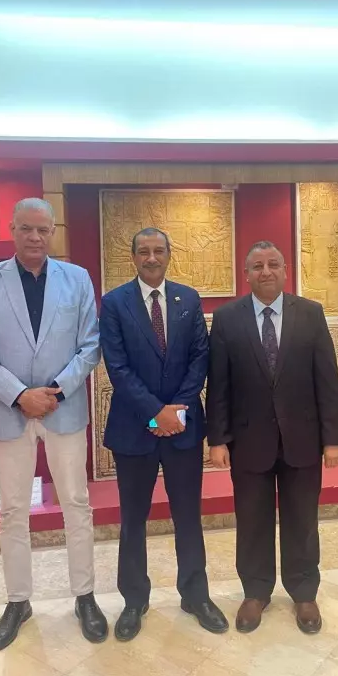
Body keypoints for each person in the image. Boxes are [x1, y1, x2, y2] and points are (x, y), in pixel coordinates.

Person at [0, 198, 107, 651]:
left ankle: (85, 596)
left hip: (63, 409)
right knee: (11, 511)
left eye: (43, 230)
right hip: (9, 412)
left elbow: (90, 346)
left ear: (53, 232)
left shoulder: (77, 279)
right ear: (11, 229)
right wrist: (20, 395)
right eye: (26, 228)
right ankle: (17, 601)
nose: (35, 237)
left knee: (76, 504)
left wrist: (55, 391)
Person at [206, 241, 338, 634]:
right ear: (246, 273)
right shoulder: (227, 318)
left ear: (285, 270)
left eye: (272, 264)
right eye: (257, 266)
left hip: (302, 438)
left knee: (303, 519)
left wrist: (333, 438)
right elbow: (218, 384)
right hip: (248, 440)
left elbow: (327, 379)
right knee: (252, 519)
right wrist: (217, 438)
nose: (265, 271)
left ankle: (304, 592)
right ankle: (255, 592)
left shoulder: (310, 313)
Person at [99, 227, 228, 641]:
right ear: (133, 257)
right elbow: (117, 367)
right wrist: (156, 413)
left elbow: (200, 357)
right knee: (132, 520)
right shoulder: (114, 302)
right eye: (144, 251)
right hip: (134, 428)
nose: (151, 258)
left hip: (182, 428)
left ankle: (195, 595)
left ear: (169, 255)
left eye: (158, 251)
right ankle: (134, 600)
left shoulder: (188, 299)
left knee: (187, 515)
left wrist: (178, 410)